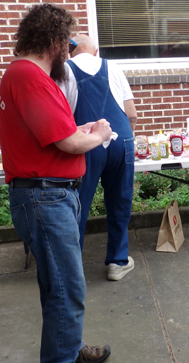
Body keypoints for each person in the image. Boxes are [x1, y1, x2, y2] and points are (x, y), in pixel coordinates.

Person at [0, 3, 114, 363]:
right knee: (66, 286)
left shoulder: (29, 76)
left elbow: (55, 133)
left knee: (59, 283)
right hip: (44, 196)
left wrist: (81, 130)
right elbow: (67, 143)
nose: (71, 46)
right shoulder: (29, 76)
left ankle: (67, 347)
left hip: (48, 192)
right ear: (52, 40)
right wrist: (99, 133)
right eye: (67, 40)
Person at [57, 34, 138, 281]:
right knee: (119, 201)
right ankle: (117, 262)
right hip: (120, 139)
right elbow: (131, 113)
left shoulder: (64, 71)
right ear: (96, 50)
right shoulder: (112, 66)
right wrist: (124, 141)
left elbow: (60, 118)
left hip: (86, 143)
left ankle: (72, 268)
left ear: (70, 51)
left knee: (77, 205)